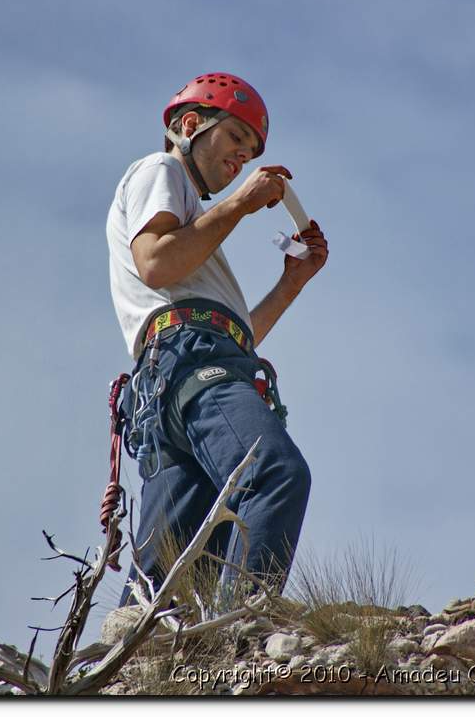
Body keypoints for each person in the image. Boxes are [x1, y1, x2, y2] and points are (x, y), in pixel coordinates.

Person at [105, 72, 328, 606]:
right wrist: (242, 205)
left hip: (183, 374)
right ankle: (239, 636)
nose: (241, 161)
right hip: (189, 363)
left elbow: (235, 338)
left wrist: (292, 282)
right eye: (235, 139)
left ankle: (124, 678)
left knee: (170, 576)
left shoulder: (193, 223)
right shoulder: (160, 170)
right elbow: (156, 262)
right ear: (189, 126)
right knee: (273, 472)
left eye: (249, 153)